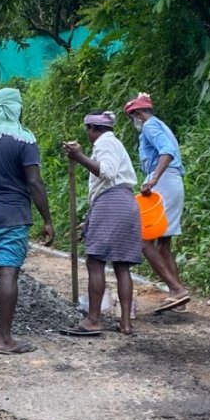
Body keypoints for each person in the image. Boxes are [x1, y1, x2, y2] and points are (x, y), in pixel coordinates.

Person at [0, 88, 54, 354]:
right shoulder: (23, 139)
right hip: (11, 213)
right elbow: (34, 182)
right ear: (14, 108)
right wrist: (47, 219)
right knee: (7, 271)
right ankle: (4, 339)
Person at [63, 111, 141, 336]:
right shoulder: (114, 144)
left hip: (111, 202)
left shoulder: (105, 144)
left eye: (88, 130)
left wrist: (79, 157)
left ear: (93, 129)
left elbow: (106, 173)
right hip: (126, 202)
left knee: (95, 262)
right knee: (121, 265)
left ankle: (93, 319)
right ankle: (125, 323)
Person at [123, 92, 190, 311]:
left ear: (139, 114)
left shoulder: (150, 126)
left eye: (133, 116)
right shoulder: (161, 125)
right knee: (163, 242)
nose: (133, 121)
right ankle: (176, 294)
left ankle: (176, 289)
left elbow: (167, 153)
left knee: (143, 239)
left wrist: (153, 179)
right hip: (172, 180)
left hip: (164, 181)